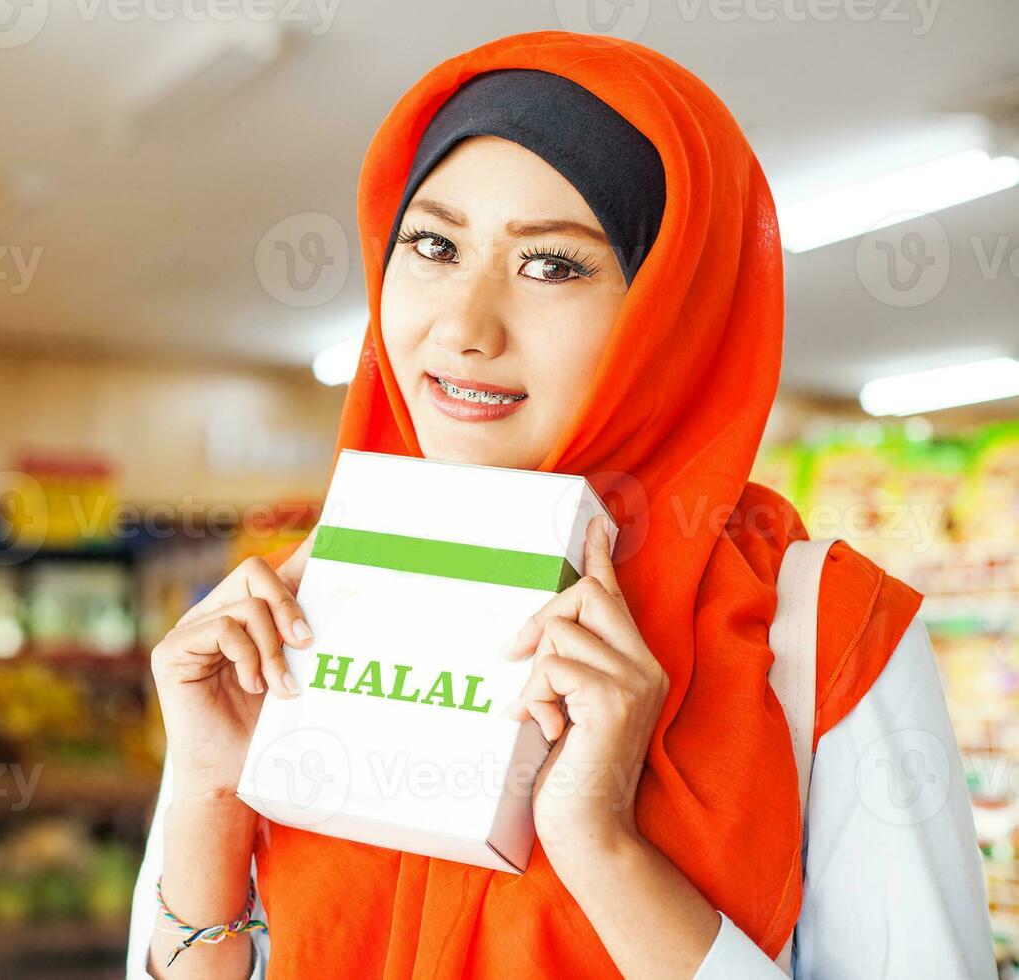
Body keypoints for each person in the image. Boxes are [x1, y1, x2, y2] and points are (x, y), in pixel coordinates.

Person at [126, 31, 993, 979]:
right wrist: (210, 791)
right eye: (433, 244)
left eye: (554, 266)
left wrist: (601, 845)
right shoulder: (299, 607)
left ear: (671, 308)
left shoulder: (819, 636)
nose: (463, 329)